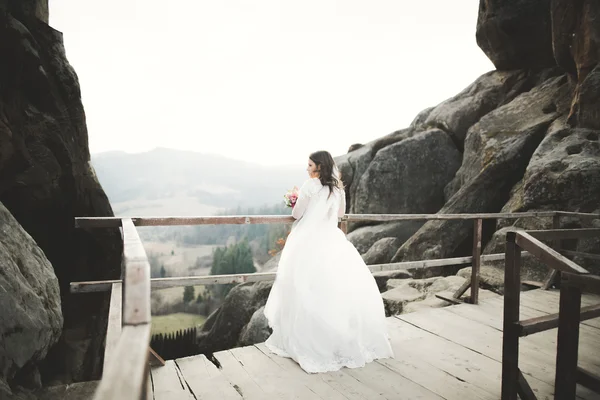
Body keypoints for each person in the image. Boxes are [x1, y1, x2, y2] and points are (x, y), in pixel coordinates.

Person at [263, 150, 394, 373]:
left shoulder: (309, 186)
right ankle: (337, 342)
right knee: (334, 289)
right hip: (331, 239)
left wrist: (294, 200)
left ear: (319, 167)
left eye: (310, 165)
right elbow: (340, 214)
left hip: (308, 241)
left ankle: (308, 342)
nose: (307, 168)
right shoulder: (338, 188)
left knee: (305, 288)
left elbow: (296, 215)